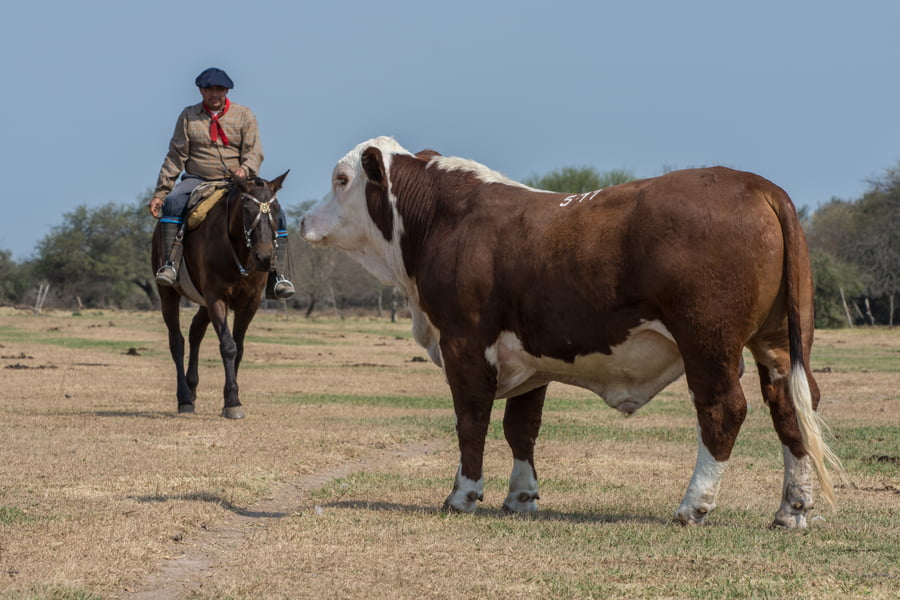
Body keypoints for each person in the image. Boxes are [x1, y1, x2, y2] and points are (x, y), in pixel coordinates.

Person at [148, 67, 295, 299]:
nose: (214, 94)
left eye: (219, 89)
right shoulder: (188, 116)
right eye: (209, 89)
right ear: (201, 90)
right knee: (174, 203)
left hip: (239, 183)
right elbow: (176, 156)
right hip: (198, 180)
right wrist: (160, 192)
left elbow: (254, 151)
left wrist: (244, 169)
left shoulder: (245, 115)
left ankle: (278, 275)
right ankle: (170, 266)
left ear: (226, 91)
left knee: (277, 212)